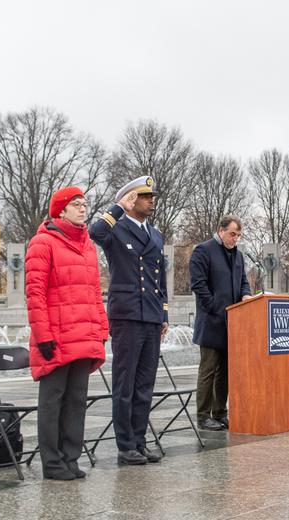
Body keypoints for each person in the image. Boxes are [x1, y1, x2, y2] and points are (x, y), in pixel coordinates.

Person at [26, 186, 109, 480]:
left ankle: (71, 458)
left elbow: (95, 293)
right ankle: (52, 462)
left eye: (84, 204)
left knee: (76, 400)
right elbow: (35, 294)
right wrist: (43, 335)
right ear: (60, 210)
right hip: (56, 336)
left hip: (84, 335)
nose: (83, 208)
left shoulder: (88, 246)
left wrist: (102, 328)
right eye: (76, 204)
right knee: (53, 401)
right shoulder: (42, 243)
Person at [89, 176, 168, 466]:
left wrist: (164, 313)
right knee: (125, 382)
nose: (152, 201)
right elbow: (94, 233)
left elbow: (160, 276)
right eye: (145, 196)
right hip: (127, 314)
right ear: (132, 199)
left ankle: (140, 440)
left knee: (145, 383)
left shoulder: (156, 234)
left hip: (150, 314)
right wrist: (117, 208)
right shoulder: (116, 228)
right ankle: (125, 445)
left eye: (151, 196)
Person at [189, 214, 253, 431]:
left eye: (238, 235)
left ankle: (220, 412)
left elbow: (244, 281)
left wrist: (245, 295)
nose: (235, 238)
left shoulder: (238, 255)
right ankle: (203, 416)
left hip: (233, 322)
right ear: (221, 230)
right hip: (211, 321)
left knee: (225, 371)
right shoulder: (203, 250)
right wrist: (215, 307)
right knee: (208, 370)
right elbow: (198, 284)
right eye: (232, 234)